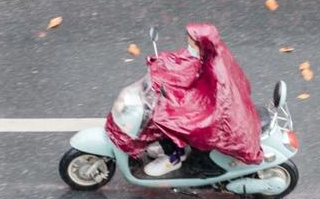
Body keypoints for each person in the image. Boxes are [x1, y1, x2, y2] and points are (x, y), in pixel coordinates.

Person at [105, 23, 263, 177]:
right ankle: (169, 147)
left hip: (212, 112)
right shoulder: (204, 53)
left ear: (199, 42)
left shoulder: (214, 67)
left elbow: (212, 91)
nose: (187, 41)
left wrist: (177, 95)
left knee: (164, 118)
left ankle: (174, 157)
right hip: (199, 100)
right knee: (162, 108)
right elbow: (183, 62)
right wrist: (161, 64)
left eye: (190, 39)